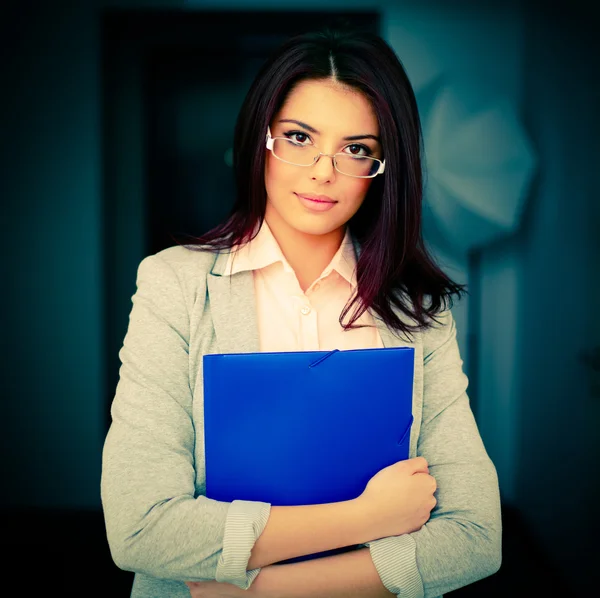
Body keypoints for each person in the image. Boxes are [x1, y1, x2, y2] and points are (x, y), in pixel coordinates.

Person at [101, 26, 502, 598]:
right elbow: (143, 529)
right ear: (260, 140)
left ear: (385, 168)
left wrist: (249, 592)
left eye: (356, 149)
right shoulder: (175, 285)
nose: (323, 170)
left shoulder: (418, 310)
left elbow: (476, 538)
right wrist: (369, 516)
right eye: (298, 137)